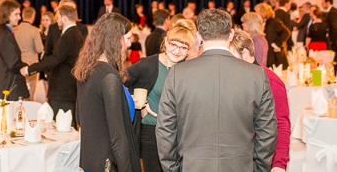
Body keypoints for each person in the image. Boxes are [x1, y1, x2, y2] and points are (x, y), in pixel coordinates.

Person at [156, 9, 277, 172]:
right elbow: (267, 131)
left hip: (192, 167)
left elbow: (165, 129)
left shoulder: (178, 74)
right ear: (231, 34)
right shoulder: (256, 75)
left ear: (198, 36)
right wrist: (259, 168)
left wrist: (173, 169)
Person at [74, 13, 141, 172]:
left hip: (92, 160)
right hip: (109, 163)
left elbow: (80, 117)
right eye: (128, 38)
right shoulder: (109, 77)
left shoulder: (86, 69)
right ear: (115, 40)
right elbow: (118, 138)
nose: (130, 44)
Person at [125, 20, 195, 172]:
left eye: (183, 47)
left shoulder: (188, 70)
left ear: (189, 50)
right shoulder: (148, 64)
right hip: (152, 133)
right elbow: (117, 81)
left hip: (180, 136)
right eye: (173, 45)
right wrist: (136, 101)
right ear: (166, 42)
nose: (177, 51)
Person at [229, 30, 290, 172]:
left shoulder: (271, 81)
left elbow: (281, 125)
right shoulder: (232, 78)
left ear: (244, 53)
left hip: (258, 161)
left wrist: (279, 164)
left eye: (230, 57)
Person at [21, 6, 84, 126]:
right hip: (69, 88)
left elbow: (55, 59)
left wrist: (30, 69)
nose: (57, 21)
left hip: (62, 90)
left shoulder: (68, 36)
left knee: (63, 127)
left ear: (64, 18)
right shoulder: (77, 34)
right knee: (67, 126)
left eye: (58, 18)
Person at [0, 0, 29, 101]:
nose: (19, 18)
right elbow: (12, 64)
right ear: (6, 14)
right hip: (9, 87)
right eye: (16, 14)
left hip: (4, 85)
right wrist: (27, 66)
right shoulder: (5, 35)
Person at [14, 7, 44, 101]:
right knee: (30, 93)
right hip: (32, 63)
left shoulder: (14, 30)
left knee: (19, 91)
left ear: (22, 16)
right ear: (33, 17)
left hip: (18, 63)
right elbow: (39, 49)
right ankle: (29, 112)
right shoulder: (34, 30)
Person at [255, 3, 290, 69]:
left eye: (257, 12)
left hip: (276, 55)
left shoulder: (274, 22)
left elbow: (286, 33)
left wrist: (277, 44)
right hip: (270, 54)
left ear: (262, 12)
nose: (256, 14)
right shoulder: (263, 23)